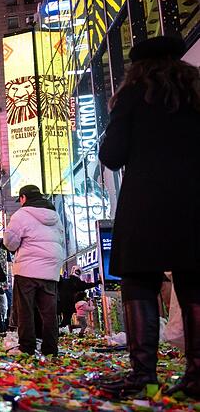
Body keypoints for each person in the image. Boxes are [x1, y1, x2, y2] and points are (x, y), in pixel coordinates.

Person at [98, 36, 200, 399]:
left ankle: (144, 376)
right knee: (194, 282)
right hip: (194, 199)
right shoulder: (196, 91)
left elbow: (112, 155)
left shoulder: (133, 94)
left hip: (146, 200)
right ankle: (197, 375)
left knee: (139, 280)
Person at [3, 184, 65, 356]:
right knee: (49, 312)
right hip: (51, 268)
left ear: (23, 198)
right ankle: (50, 348)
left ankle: (27, 347)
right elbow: (61, 238)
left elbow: (10, 243)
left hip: (27, 269)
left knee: (25, 310)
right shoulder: (54, 215)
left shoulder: (21, 214)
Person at [58, 266, 96, 333]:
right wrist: (97, 283)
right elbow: (85, 286)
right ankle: (64, 331)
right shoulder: (76, 282)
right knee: (67, 320)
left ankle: (62, 330)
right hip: (69, 305)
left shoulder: (65, 281)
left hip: (61, 304)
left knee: (65, 319)